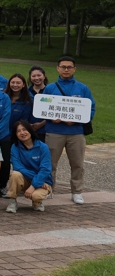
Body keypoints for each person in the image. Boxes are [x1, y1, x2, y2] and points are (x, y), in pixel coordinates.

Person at [42, 56, 95, 205]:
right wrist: (51, 117)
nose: (66, 69)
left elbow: (91, 108)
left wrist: (77, 120)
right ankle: (48, 188)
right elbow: (42, 108)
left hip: (76, 132)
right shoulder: (50, 88)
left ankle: (76, 191)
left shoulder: (82, 88)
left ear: (74, 69)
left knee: (77, 163)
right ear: (58, 68)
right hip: (54, 131)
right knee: (50, 163)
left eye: (69, 67)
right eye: (63, 67)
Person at [6, 120, 53, 213]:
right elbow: (18, 167)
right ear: (15, 134)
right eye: (18, 131)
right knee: (15, 174)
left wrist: (35, 184)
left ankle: (37, 202)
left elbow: (45, 169)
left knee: (35, 196)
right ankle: (12, 201)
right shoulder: (15, 147)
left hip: (43, 180)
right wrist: (36, 181)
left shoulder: (43, 147)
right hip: (29, 179)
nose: (22, 133)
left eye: (24, 129)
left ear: (30, 130)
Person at [6, 74, 33, 141]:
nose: (15, 85)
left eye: (18, 83)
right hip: (0, 134)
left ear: (23, 85)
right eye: (12, 82)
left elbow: (24, 120)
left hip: (16, 136)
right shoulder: (2, 98)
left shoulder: (27, 102)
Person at [27, 66, 49, 139]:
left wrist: (41, 124)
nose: (36, 78)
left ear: (44, 76)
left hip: (46, 129)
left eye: (39, 75)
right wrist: (28, 124)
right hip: (28, 129)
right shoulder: (25, 92)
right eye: (33, 76)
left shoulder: (51, 91)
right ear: (30, 77)